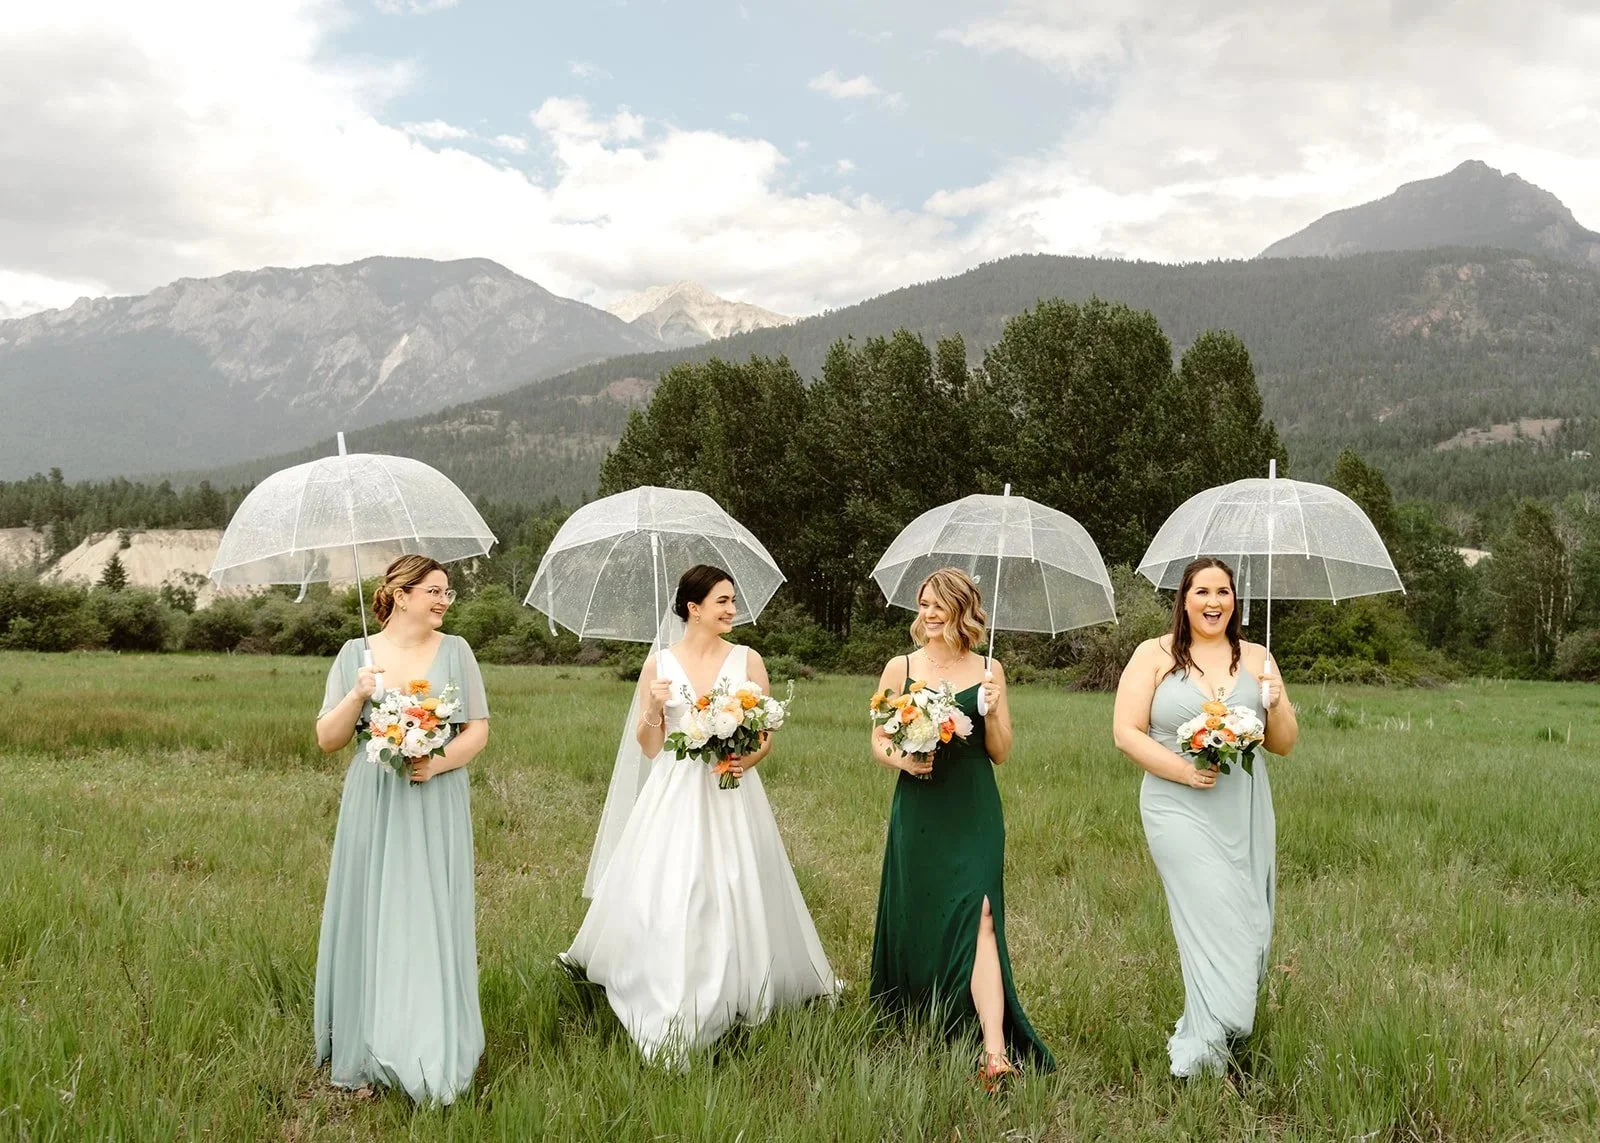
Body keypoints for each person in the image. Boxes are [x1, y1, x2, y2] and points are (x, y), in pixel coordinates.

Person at [562, 564, 838, 1065]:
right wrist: (653, 708)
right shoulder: (659, 665)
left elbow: (764, 734)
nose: (732, 609)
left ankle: (747, 981)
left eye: (732, 600)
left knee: (739, 879)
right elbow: (650, 748)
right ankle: (671, 982)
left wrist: (744, 760)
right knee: (678, 884)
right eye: (722, 601)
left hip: (732, 791)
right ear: (694, 608)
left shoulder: (748, 660)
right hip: (675, 792)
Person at [312, 555, 490, 1103]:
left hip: (435, 793)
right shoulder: (355, 654)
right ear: (401, 594)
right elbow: (327, 739)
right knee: (373, 910)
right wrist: (357, 695)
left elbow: (477, 730)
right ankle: (368, 1048)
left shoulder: (457, 651)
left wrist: (436, 762)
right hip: (375, 799)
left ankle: (429, 1042)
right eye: (434, 590)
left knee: (429, 910)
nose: (443, 601)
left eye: (447, 592)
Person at [1112, 556, 1299, 1077]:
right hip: (1176, 806)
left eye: (1223, 592)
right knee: (1209, 914)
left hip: (1242, 807)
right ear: (1184, 599)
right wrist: (1183, 771)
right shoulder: (1154, 655)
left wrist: (1276, 703)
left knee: (1250, 922)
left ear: (1234, 600)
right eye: (1202, 592)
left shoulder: (1258, 657)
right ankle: (1208, 1041)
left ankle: (1220, 1023)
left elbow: (1283, 744)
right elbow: (1125, 732)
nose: (1214, 602)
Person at [868, 567, 1054, 1091]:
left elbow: (1001, 752)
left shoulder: (990, 669)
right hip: (920, 806)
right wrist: (904, 760)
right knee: (921, 910)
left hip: (974, 808)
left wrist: (991, 711)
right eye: (924, 604)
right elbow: (879, 740)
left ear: (962, 611)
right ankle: (925, 1013)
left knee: (982, 914)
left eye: (939, 605)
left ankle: (994, 1052)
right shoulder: (901, 667)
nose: (928, 614)